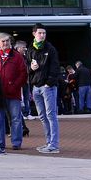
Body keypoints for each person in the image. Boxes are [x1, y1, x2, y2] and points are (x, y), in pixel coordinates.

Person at [28, 24, 61, 154]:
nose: (42, 35)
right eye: (40, 33)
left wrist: (49, 82)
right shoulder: (31, 49)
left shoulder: (50, 48)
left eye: (44, 33)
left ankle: (54, 144)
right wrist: (31, 68)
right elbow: (26, 67)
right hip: (36, 86)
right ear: (34, 34)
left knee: (51, 115)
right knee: (42, 116)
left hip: (48, 87)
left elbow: (55, 66)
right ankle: (49, 142)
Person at [0, 32, 27, 150]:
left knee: (16, 119)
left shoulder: (17, 56)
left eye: (7, 41)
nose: (5, 43)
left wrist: (15, 86)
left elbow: (23, 73)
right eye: (3, 41)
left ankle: (16, 143)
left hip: (13, 93)